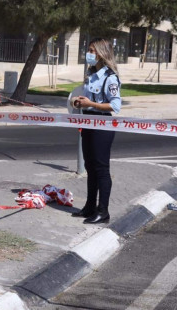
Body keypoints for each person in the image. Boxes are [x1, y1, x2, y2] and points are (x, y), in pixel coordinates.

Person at [71, 38, 121, 224]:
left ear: (101, 53)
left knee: (101, 169)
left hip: (102, 124)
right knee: (90, 167)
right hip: (88, 122)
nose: (89, 54)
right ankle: (90, 206)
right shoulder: (91, 74)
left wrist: (91, 104)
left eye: (92, 50)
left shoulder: (110, 77)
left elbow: (115, 105)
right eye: (89, 50)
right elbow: (88, 99)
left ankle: (103, 211)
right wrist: (79, 102)